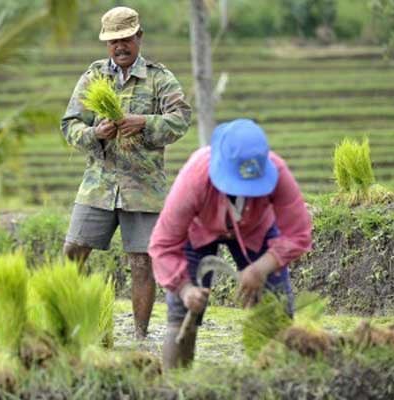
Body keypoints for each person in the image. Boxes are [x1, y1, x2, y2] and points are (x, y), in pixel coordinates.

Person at [61, 7, 191, 339]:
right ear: (106, 44)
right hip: (98, 184)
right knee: (73, 250)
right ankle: (68, 322)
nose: (120, 46)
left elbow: (180, 120)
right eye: (113, 41)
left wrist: (145, 123)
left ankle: (139, 335)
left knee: (142, 262)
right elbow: (69, 124)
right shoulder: (94, 76)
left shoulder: (160, 77)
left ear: (139, 38)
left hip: (144, 187)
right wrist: (94, 134)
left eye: (126, 39)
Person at [148, 118, 312, 369]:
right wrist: (184, 289)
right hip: (199, 231)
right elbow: (163, 244)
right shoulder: (195, 178)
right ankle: (175, 388)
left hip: (256, 230)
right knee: (182, 312)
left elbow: (298, 233)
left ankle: (277, 382)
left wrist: (261, 268)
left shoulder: (277, 172)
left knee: (277, 309)